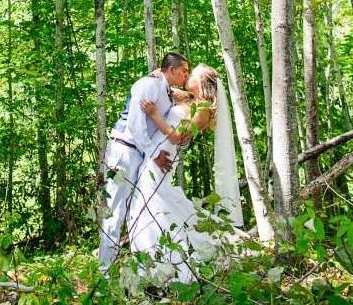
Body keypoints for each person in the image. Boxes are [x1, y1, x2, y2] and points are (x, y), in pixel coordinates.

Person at [127, 64, 247, 285]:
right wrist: (159, 75)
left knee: (151, 204)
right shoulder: (188, 99)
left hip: (164, 157)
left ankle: (169, 262)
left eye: (193, 75)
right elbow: (165, 87)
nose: (187, 76)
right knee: (150, 204)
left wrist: (154, 115)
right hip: (153, 154)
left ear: (203, 83)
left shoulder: (204, 110)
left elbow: (179, 137)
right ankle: (153, 259)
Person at [98, 52, 189, 274]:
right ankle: (104, 271)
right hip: (125, 151)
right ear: (172, 70)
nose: (187, 75)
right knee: (115, 212)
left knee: (131, 212)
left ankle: (123, 266)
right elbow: (135, 126)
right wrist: (154, 154)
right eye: (184, 71)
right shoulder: (147, 85)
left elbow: (175, 95)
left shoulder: (165, 89)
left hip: (138, 155)